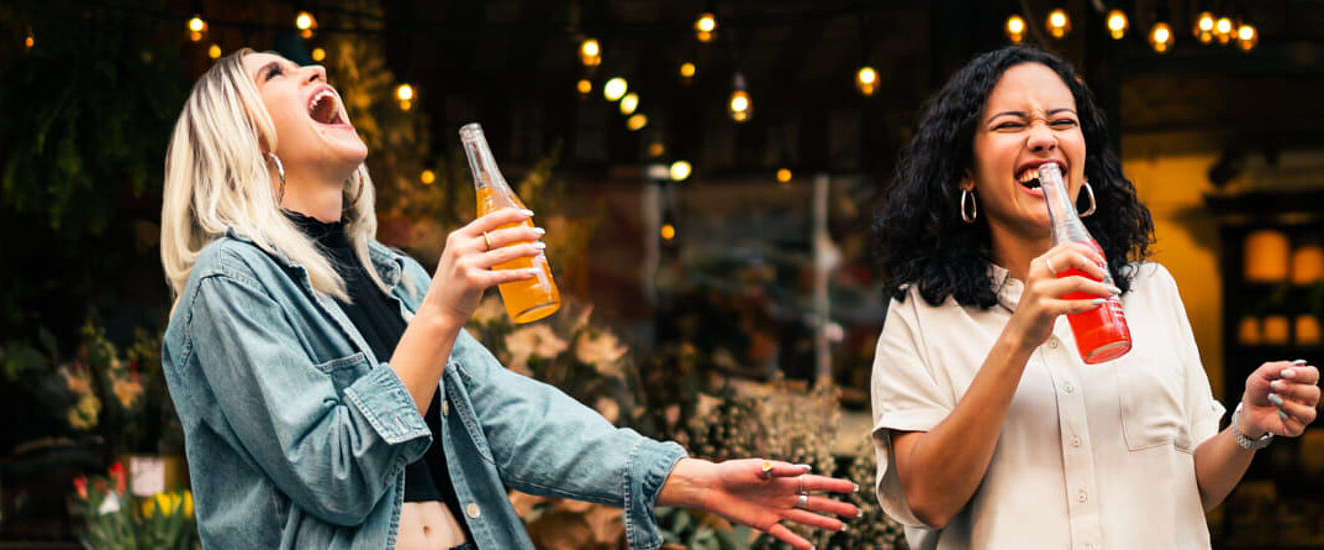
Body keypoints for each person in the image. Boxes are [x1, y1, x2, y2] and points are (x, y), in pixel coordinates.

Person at [157, 48, 859, 550]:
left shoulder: (392, 275)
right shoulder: (231, 283)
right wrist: (441, 314)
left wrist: (692, 480)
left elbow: (508, 419)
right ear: (242, 135)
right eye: (275, 73)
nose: (315, 69)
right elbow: (331, 474)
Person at [868, 46, 1319, 549]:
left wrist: (1245, 429)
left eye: (1062, 121)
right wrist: (1019, 338)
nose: (1043, 138)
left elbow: (1192, 485)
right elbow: (928, 499)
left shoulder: (1150, 291)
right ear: (964, 172)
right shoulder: (923, 314)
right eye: (1011, 125)